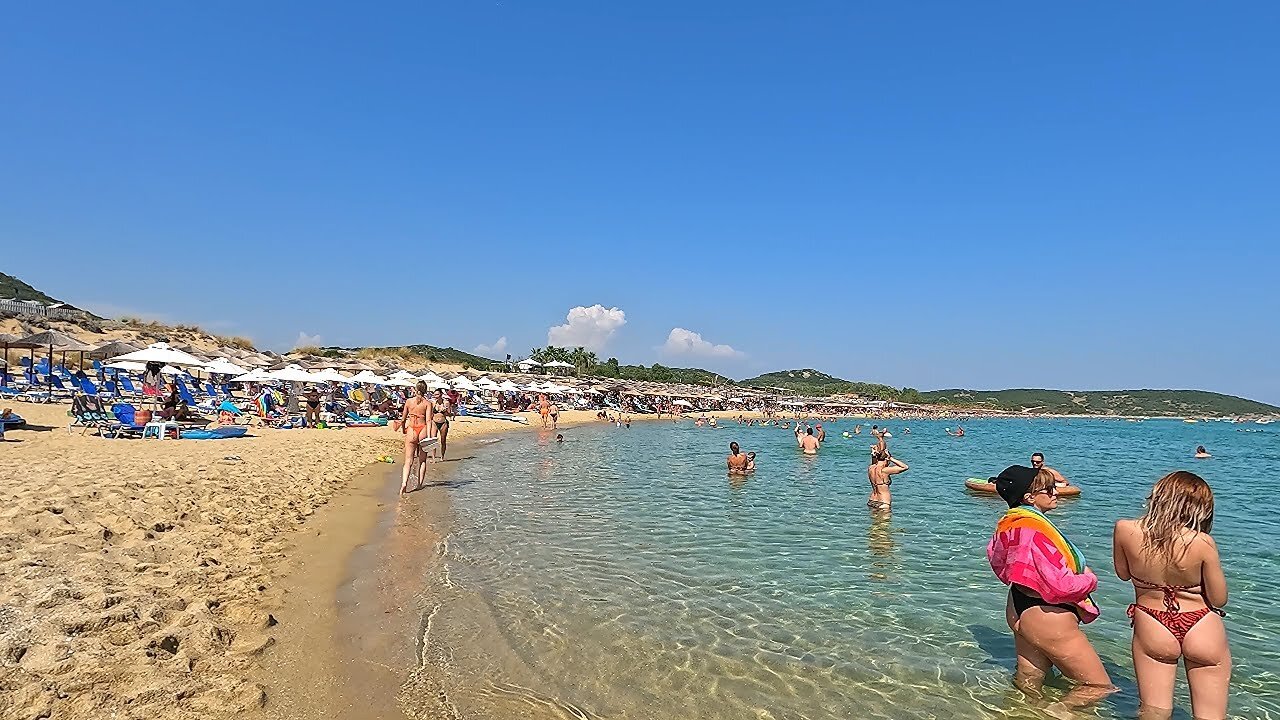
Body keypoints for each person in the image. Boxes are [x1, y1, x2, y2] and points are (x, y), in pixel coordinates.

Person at [987, 466, 1113, 709]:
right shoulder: (1035, 529)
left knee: (1029, 681)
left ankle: (1025, 713)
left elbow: (996, 559)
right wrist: (1090, 579)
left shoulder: (1008, 522)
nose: (1056, 493)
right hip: (1047, 615)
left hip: (1018, 604)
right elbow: (1061, 586)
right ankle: (1056, 713)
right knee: (1098, 687)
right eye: (1049, 489)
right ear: (1029, 497)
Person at [1113, 471, 1229, 720]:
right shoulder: (1202, 542)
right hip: (1201, 623)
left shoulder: (1124, 529)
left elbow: (1123, 574)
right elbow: (1219, 599)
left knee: (1154, 712)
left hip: (1152, 621)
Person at [399, 381, 432, 495]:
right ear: (425, 390)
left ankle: (404, 483)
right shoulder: (428, 403)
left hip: (412, 429)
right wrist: (429, 436)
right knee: (422, 460)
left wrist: (403, 429)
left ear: (415, 388)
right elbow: (428, 420)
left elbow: (403, 419)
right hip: (422, 429)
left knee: (408, 461)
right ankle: (419, 484)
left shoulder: (409, 401)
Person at [431, 388, 452, 460]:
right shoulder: (433, 403)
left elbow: (450, 414)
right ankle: (433, 458)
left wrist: (445, 411)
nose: (436, 396)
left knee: (443, 440)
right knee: (433, 440)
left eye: (437, 394)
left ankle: (442, 457)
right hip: (434, 422)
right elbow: (430, 413)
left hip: (443, 423)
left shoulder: (446, 403)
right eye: (434, 395)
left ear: (441, 395)